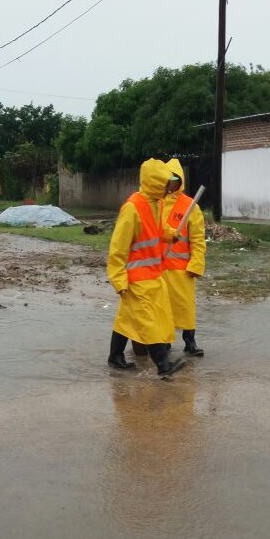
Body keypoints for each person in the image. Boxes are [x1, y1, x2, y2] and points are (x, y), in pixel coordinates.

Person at [106, 158, 183, 377]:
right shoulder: (132, 208)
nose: (170, 188)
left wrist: (171, 234)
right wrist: (119, 280)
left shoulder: (156, 203)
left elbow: (158, 229)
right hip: (135, 279)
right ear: (156, 183)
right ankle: (163, 365)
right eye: (167, 183)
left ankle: (114, 356)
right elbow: (117, 248)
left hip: (152, 276)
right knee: (150, 322)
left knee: (128, 319)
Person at [161, 157, 206, 356]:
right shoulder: (156, 203)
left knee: (185, 308)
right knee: (162, 308)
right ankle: (164, 341)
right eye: (167, 178)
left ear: (180, 180)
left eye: (174, 178)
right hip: (159, 267)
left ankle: (190, 341)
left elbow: (197, 239)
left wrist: (196, 264)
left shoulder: (190, 206)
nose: (170, 183)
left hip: (181, 269)